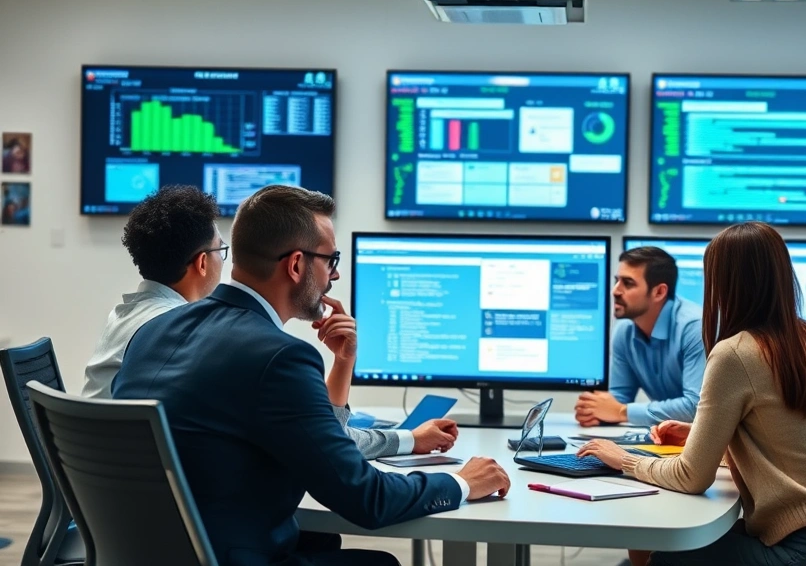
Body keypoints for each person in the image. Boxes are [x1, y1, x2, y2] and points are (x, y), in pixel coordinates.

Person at [112, 185, 510, 566]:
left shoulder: (154, 330)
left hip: (146, 552)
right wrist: (461, 482)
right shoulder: (279, 356)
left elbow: (318, 443)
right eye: (330, 260)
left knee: (322, 541)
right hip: (230, 554)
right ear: (297, 264)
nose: (333, 276)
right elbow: (365, 498)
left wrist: (342, 364)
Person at [85, 185, 453, 459]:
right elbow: (324, 446)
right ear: (202, 262)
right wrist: (409, 440)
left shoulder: (134, 319)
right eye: (221, 251)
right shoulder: (189, 336)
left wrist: (340, 367)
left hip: (117, 512)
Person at [577, 222, 806, 566]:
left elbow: (691, 478)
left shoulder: (737, 352)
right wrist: (705, 438)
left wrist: (621, 458)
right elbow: (793, 444)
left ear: (723, 284)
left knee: (665, 555)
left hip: (801, 549)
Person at [83, 185, 225, 399]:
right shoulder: (178, 326)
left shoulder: (123, 314)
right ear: (202, 262)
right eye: (220, 249)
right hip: (122, 431)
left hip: (87, 430)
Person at [574, 246, 705, 427]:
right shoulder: (624, 331)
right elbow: (618, 399)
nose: (615, 291)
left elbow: (695, 408)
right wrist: (594, 410)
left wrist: (622, 412)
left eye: (628, 283)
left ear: (659, 292)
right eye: (616, 281)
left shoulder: (695, 328)